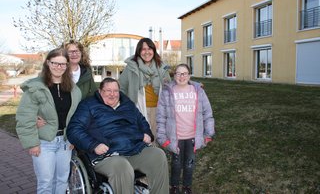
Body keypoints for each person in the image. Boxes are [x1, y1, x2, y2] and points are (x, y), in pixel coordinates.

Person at [67, 77, 169, 194]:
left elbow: (142, 121)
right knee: (121, 166)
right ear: (100, 91)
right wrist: (94, 145)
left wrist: (148, 134)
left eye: (115, 91)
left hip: (133, 150)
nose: (112, 94)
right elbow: (74, 129)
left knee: (158, 155)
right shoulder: (88, 105)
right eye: (108, 91)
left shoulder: (127, 104)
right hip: (107, 156)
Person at [15, 47, 82, 194]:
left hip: (65, 143)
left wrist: (72, 138)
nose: (59, 67)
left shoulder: (73, 89)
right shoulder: (36, 88)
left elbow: (76, 116)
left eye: (63, 64)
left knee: (62, 181)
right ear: (47, 63)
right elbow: (25, 116)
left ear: (67, 65)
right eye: (55, 63)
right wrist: (32, 143)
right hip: (44, 143)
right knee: (46, 183)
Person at [156, 64, 215, 194]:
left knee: (189, 163)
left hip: (192, 136)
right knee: (176, 163)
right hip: (175, 137)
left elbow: (207, 113)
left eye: (184, 73)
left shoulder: (198, 91)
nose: (181, 76)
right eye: (178, 73)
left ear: (189, 75)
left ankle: (187, 187)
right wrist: (162, 138)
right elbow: (161, 116)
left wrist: (208, 133)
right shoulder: (167, 92)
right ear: (174, 75)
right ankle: (174, 187)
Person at [119, 37, 171, 142]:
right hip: (138, 109)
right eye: (143, 49)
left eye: (149, 49)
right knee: (144, 138)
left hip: (158, 109)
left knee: (156, 137)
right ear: (139, 51)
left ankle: (155, 156)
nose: (146, 52)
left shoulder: (161, 67)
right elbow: (121, 88)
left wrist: (192, 85)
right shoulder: (131, 67)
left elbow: (171, 86)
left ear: (153, 50)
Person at [36, 40, 97, 127]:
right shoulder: (53, 72)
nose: (74, 54)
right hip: (55, 126)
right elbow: (35, 98)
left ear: (81, 53)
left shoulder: (87, 73)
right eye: (70, 52)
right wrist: (35, 117)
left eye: (77, 51)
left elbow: (93, 98)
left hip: (80, 124)